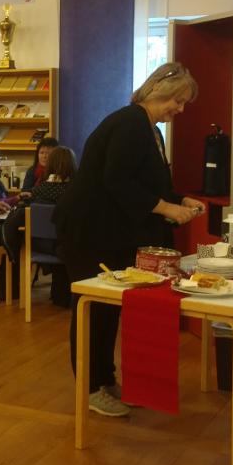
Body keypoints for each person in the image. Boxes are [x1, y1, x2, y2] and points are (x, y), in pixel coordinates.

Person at [53, 62, 207, 418]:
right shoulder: (130, 124)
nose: (180, 110)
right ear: (159, 92)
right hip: (89, 231)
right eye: (178, 101)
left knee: (109, 309)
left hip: (110, 233)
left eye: (184, 103)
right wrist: (167, 208)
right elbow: (117, 180)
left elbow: (150, 185)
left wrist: (180, 200)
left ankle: (104, 380)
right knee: (93, 308)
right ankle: (90, 388)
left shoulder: (151, 131)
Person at [3, 146, 76, 305]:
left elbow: (14, 222)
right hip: (66, 246)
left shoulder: (38, 191)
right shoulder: (75, 193)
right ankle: (64, 295)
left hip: (39, 245)